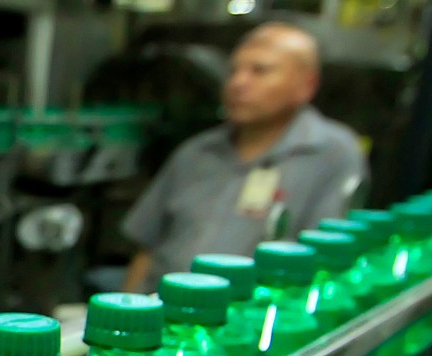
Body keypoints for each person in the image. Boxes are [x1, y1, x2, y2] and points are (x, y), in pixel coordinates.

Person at [120, 22, 367, 292]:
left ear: (306, 85)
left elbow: (325, 264)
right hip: (162, 309)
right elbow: (146, 248)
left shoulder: (331, 153)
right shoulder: (196, 152)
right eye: (233, 71)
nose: (238, 83)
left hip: (250, 321)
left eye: (259, 71)